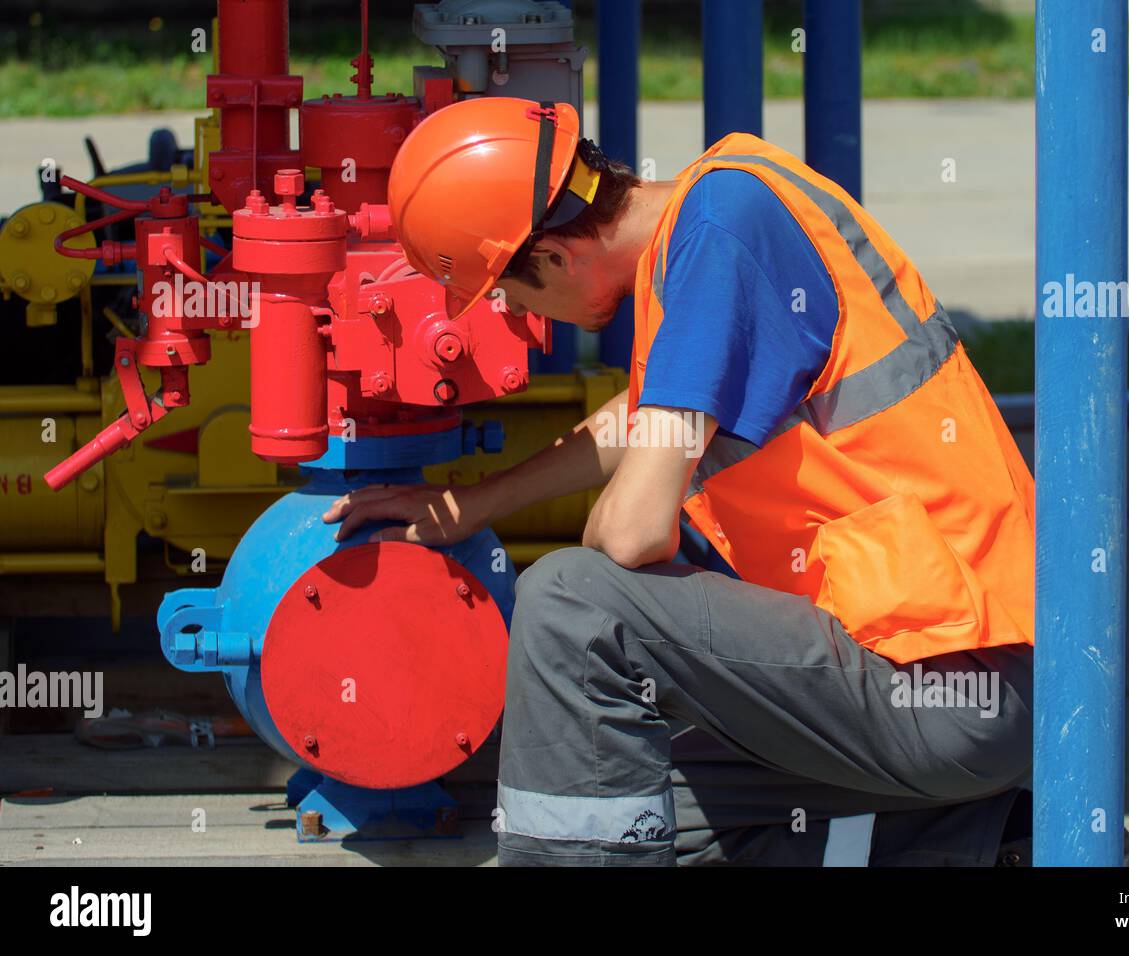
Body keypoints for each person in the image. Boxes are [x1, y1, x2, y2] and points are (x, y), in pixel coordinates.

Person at [325, 96, 1045, 866]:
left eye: (511, 293)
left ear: (556, 258)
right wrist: (473, 505)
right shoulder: (719, 208)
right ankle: (998, 846)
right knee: (625, 798)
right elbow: (645, 416)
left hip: (953, 675)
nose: (527, 316)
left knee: (573, 598)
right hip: (925, 674)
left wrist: (605, 515)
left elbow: (632, 534)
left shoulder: (721, 232)